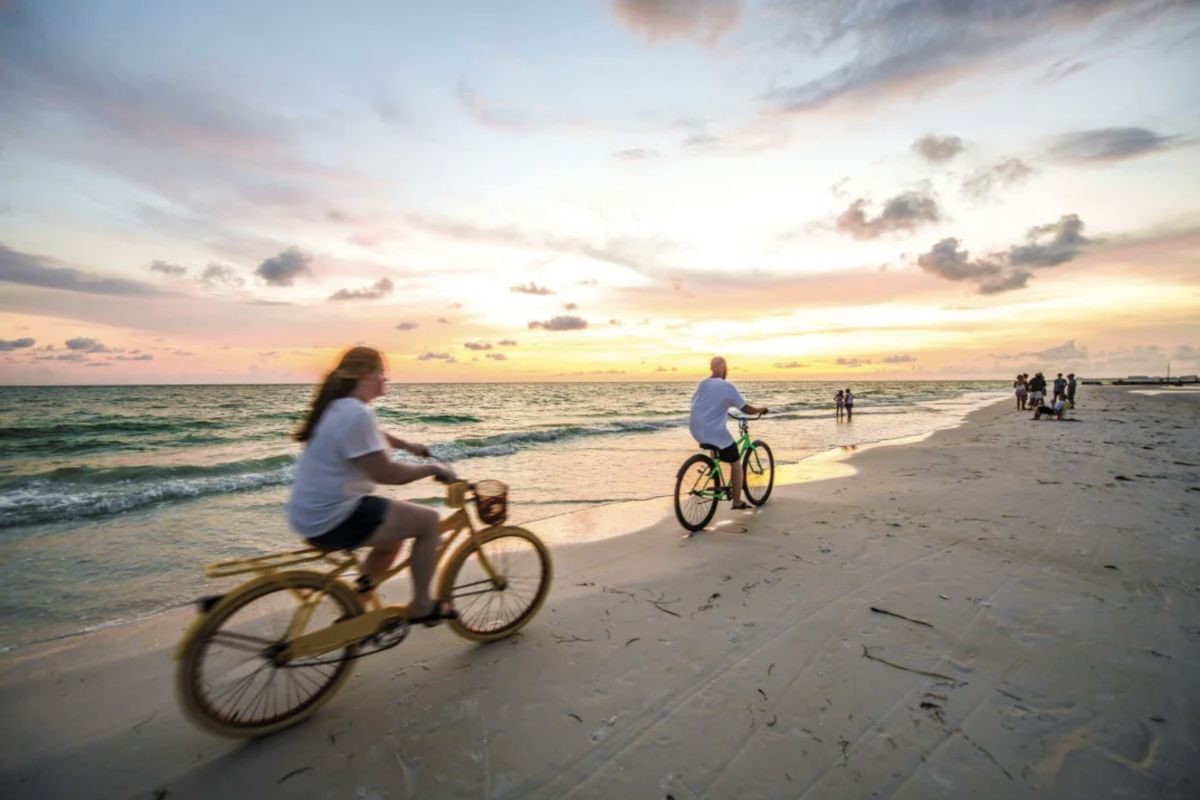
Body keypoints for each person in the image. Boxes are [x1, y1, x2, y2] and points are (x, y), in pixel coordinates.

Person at [286, 346, 458, 624]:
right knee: (428, 522)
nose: (385, 379)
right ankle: (423, 606)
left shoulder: (338, 408)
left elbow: (372, 434)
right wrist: (432, 469)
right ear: (367, 375)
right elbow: (387, 474)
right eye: (382, 373)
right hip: (335, 518)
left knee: (392, 542)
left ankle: (358, 602)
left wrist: (407, 445)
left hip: (308, 514)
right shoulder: (356, 414)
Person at [688, 356, 768, 510]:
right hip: (713, 431)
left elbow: (697, 403)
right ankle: (737, 501)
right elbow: (745, 408)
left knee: (716, 445)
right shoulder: (727, 387)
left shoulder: (703, 383)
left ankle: (713, 470)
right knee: (736, 463)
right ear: (724, 369)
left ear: (711, 368)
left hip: (695, 428)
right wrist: (760, 409)